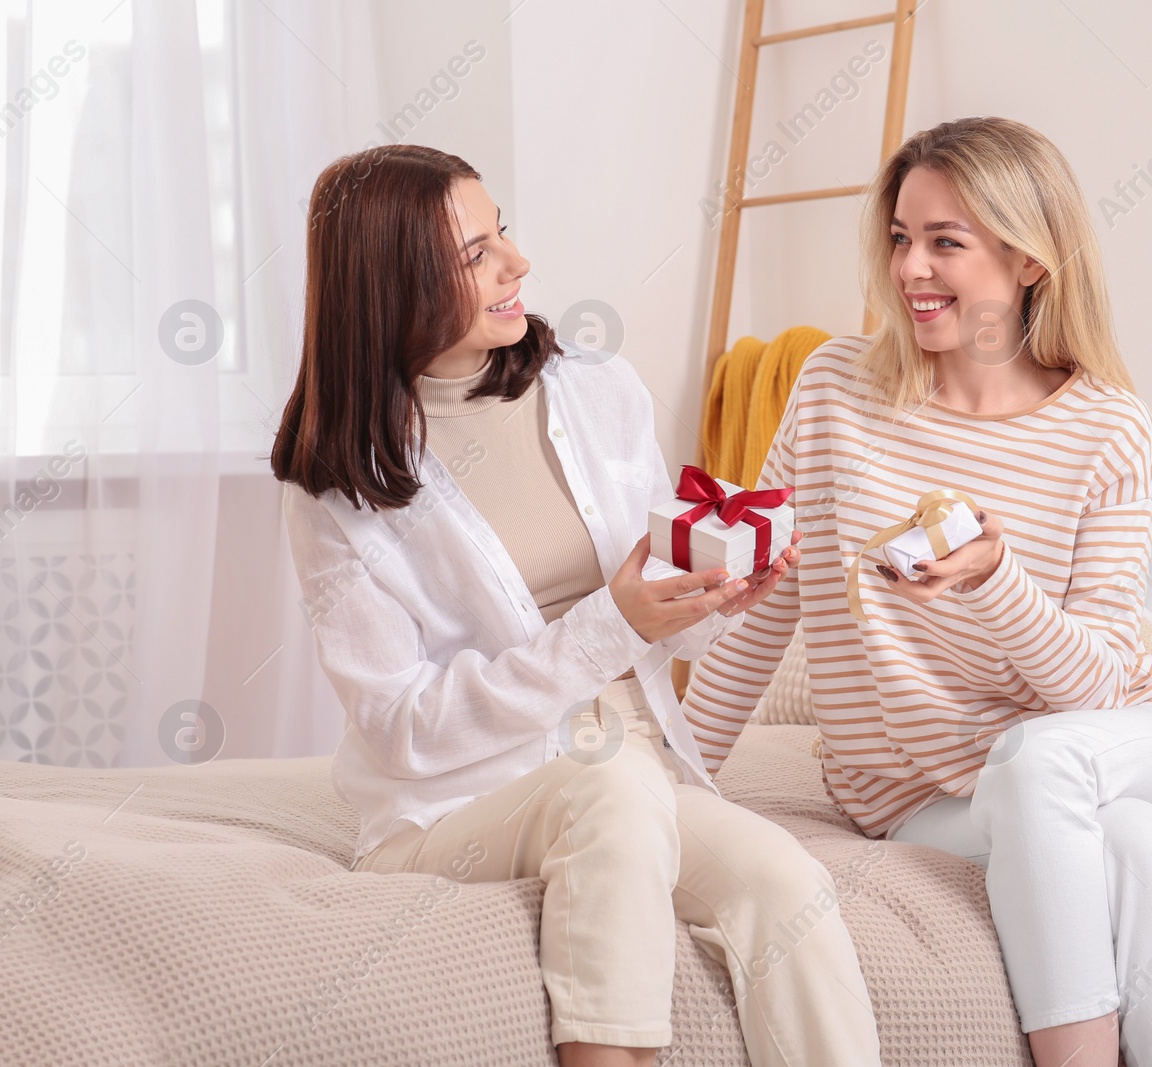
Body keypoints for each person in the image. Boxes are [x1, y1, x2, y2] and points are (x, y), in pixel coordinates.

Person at [272, 143, 881, 1067]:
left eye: (502, 231)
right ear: (391, 284)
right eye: (475, 253)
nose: (517, 263)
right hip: (461, 801)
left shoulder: (597, 391)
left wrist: (716, 594)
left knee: (784, 883)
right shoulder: (340, 491)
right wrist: (614, 623)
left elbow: (644, 616)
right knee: (612, 788)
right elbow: (400, 726)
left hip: (628, 757)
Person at [684, 117, 1152, 1067]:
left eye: (948, 242)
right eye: (902, 238)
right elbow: (769, 603)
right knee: (1139, 854)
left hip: (1140, 741)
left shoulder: (1107, 426)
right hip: (925, 797)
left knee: (1041, 764)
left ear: (1029, 260)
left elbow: (1100, 688)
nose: (911, 269)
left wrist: (997, 582)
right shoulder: (833, 391)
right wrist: (670, 777)